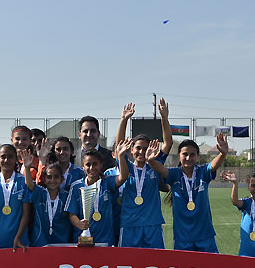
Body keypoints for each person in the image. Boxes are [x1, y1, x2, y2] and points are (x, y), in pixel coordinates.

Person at [146, 135, 227, 252]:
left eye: (192, 154)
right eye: (185, 154)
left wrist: (223, 154)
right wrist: (150, 160)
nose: (188, 157)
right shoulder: (174, 174)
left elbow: (214, 164)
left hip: (205, 235)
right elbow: (160, 168)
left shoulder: (203, 172)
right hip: (182, 237)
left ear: (198, 156)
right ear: (179, 155)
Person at [115, 100, 174, 248]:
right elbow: (119, 146)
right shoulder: (125, 166)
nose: (141, 152)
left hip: (152, 224)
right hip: (129, 224)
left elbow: (168, 144)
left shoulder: (154, 164)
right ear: (132, 149)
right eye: (138, 148)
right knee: (128, 263)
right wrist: (124, 120)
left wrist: (164, 118)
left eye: (145, 148)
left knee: (156, 262)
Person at [65, 140, 132, 246]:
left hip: (105, 240)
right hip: (82, 239)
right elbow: (71, 213)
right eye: (88, 164)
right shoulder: (76, 187)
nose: (91, 168)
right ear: (83, 166)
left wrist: (121, 156)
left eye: (95, 164)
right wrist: (78, 224)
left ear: (101, 165)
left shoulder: (107, 182)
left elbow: (123, 176)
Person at [21, 150, 72, 246]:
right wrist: (27, 168)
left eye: (56, 177)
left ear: (62, 179)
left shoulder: (66, 196)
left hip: (62, 243)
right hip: (39, 242)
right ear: (44, 179)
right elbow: (30, 184)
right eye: (49, 177)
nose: (52, 180)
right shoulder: (40, 193)